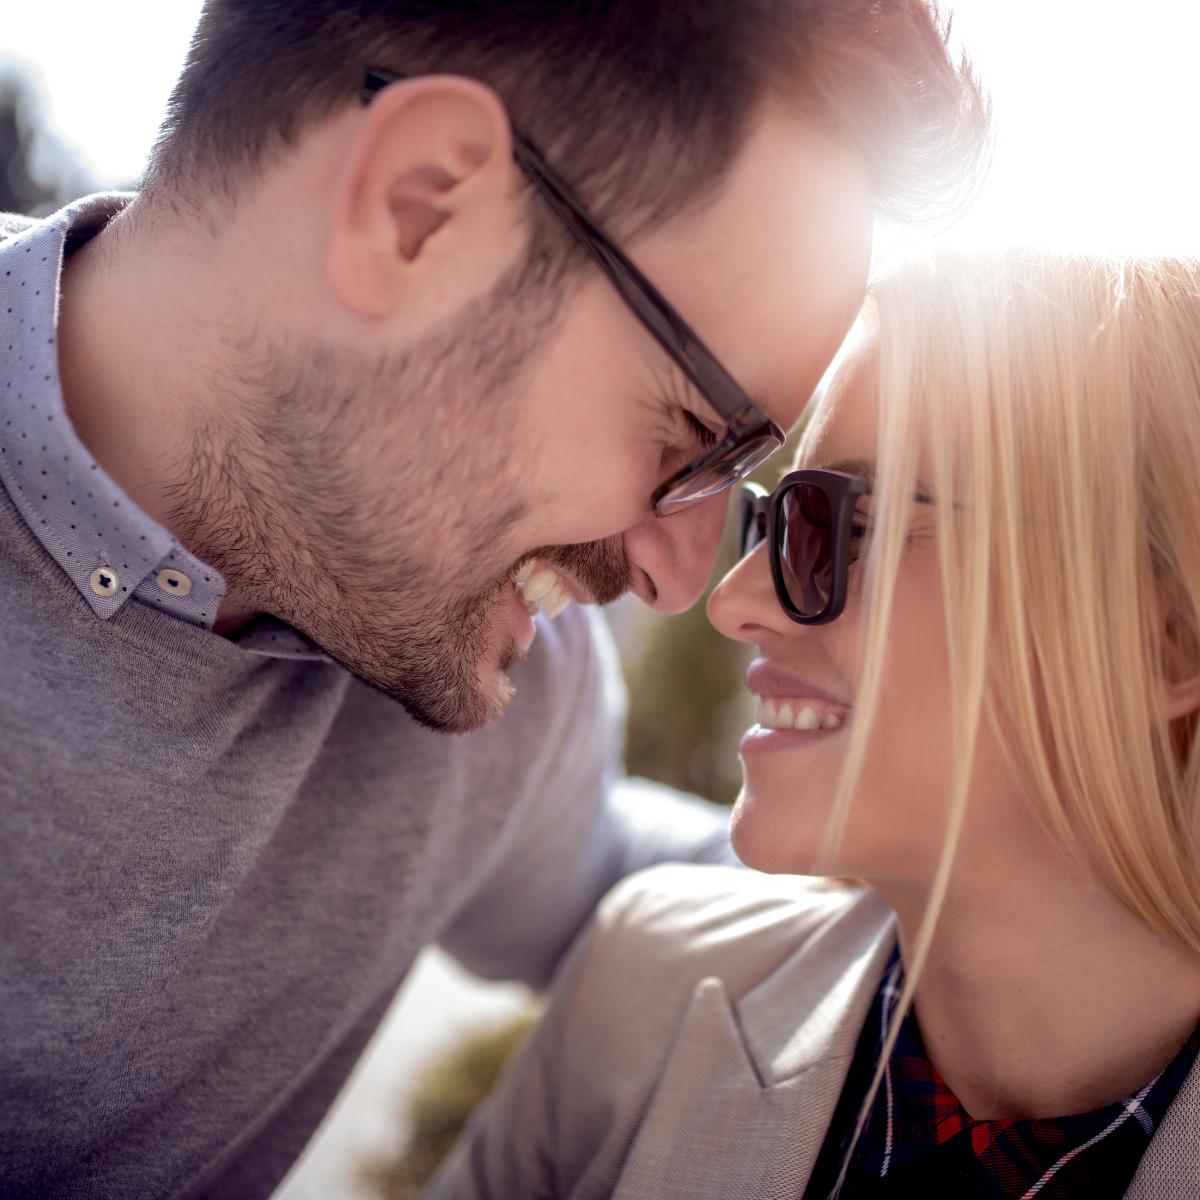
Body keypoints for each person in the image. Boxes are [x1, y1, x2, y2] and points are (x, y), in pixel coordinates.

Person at [0, 2, 985, 1196]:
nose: (680, 580)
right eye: (692, 434)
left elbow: (609, 881)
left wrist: (1034, 862)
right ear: (417, 209)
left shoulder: (506, 679)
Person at [426, 248, 1200, 1200]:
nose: (734, 603)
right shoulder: (642, 985)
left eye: (848, 524)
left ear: (1163, 643)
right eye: (784, 523)